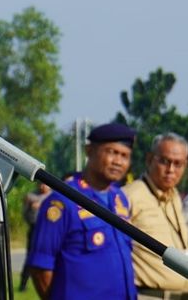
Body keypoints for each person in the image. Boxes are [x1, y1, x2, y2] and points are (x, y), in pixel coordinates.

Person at [28, 123, 138, 300]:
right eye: (112, 152)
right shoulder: (63, 200)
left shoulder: (120, 198)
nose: (118, 161)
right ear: (89, 150)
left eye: (125, 155)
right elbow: (41, 267)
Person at [123, 132, 188, 298]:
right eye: (164, 161)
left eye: (178, 164)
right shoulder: (129, 196)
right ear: (149, 159)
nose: (171, 170)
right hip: (149, 295)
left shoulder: (174, 196)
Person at [19, 181, 51, 292]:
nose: (42, 186)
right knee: (31, 256)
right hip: (35, 229)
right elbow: (25, 213)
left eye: (45, 184)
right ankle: (23, 284)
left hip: (50, 230)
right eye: (40, 184)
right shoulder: (31, 196)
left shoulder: (53, 196)